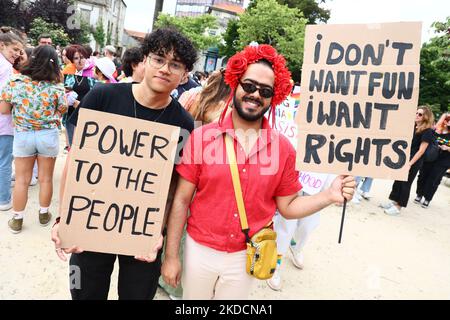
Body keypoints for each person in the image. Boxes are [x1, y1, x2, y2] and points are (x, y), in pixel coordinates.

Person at [161, 44, 356, 300]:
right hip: (200, 251)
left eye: (265, 91)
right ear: (235, 83)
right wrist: (172, 256)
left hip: (247, 257)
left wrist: (329, 196)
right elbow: (181, 200)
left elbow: (288, 206)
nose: (255, 94)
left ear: (273, 97)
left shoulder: (283, 149)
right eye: (249, 85)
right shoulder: (201, 138)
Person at [51, 28, 197, 300]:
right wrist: (64, 218)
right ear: (145, 60)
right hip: (89, 224)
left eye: (175, 65)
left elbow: (172, 187)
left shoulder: (183, 124)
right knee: (82, 292)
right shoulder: (102, 97)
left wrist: (159, 231)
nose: (165, 69)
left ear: (184, 74)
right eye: (158, 59)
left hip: (142, 235)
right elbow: (76, 161)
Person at [0, 45, 67, 233]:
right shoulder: (55, 85)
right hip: (48, 135)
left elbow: (4, 110)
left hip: (23, 134)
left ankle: (17, 219)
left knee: (21, 180)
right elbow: (62, 109)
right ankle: (44, 214)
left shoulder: (15, 81)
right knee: (45, 179)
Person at [381, 106, 435, 215]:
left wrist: (410, 163)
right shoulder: (414, 127)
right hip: (404, 157)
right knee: (398, 180)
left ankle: (399, 206)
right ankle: (394, 201)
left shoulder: (427, 131)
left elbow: (421, 151)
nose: (417, 115)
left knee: (406, 183)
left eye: (420, 114)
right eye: (416, 113)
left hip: (414, 160)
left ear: (425, 117)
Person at [0, 29, 25, 211]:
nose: (16, 54)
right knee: (4, 162)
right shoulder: (7, 69)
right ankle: (3, 198)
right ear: (2, 45)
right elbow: (6, 98)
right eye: (14, 49)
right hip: (4, 122)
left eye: (19, 51)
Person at [415, 113, 450, 208]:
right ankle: (419, 194)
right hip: (430, 157)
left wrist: (447, 148)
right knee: (422, 175)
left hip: (444, 160)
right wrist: (444, 116)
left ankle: (427, 198)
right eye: (448, 120)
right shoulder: (436, 130)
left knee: (434, 179)